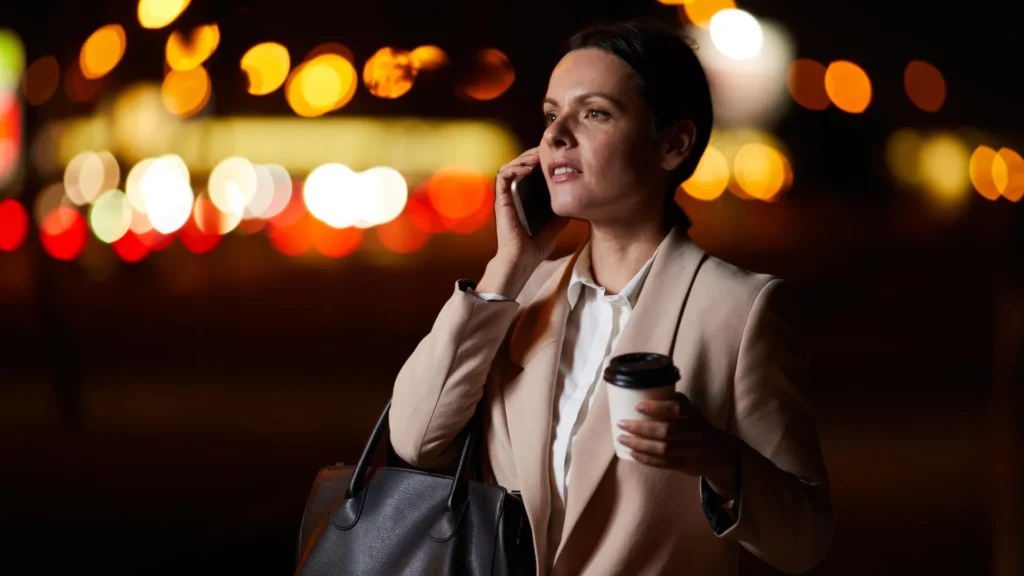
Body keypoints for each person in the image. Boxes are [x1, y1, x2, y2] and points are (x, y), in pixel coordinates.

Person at [390, 19, 833, 576]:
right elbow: (415, 439)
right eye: (552, 115)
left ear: (672, 144)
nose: (555, 136)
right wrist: (507, 268)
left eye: (594, 113)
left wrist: (717, 457)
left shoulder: (740, 311)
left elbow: (805, 540)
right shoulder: (515, 297)